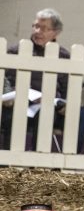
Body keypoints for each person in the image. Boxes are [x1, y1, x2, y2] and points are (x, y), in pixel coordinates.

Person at [2, 9, 70, 151]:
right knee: (12, 116)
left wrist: (63, 103)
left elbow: (67, 87)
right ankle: (9, 161)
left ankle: (38, 161)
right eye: (36, 26)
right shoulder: (16, 50)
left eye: (44, 28)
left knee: (46, 115)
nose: (38, 31)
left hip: (48, 106)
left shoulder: (63, 56)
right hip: (17, 102)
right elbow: (6, 78)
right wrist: (9, 93)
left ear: (56, 32)